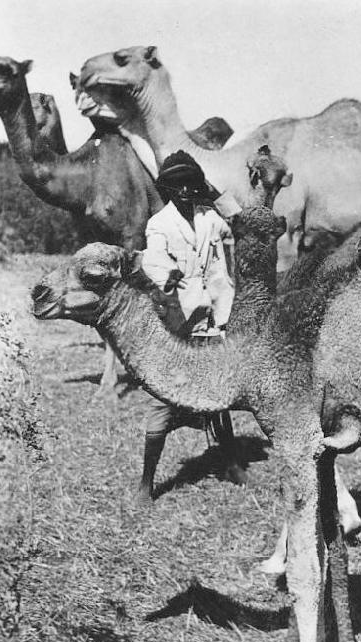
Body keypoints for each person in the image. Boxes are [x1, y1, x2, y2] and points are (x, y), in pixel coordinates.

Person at [137, 150, 245, 502]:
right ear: (167, 188)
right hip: (179, 317)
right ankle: (146, 482)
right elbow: (152, 257)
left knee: (219, 390)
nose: (184, 190)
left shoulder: (210, 218)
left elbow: (241, 223)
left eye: (190, 183)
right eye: (177, 184)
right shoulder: (160, 223)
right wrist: (167, 273)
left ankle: (229, 461)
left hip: (214, 313)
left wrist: (211, 191)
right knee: (162, 398)